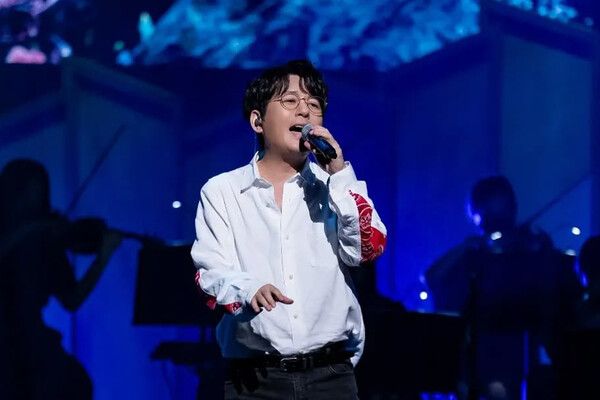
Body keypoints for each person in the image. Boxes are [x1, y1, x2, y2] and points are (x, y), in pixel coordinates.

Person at [191, 60, 387, 399]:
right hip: (255, 380)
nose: (305, 111)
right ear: (257, 121)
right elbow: (210, 272)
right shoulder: (222, 191)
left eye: (314, 104)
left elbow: (366, 251)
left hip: (331, 375)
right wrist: (248, 289)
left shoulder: (336, 187)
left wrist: (340, 173)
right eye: (291, 101)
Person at [425, 176, 581, 400]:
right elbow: (432, 277)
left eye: (503, 211)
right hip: (484, 355)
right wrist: (465, 248)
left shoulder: (533, 250)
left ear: (513, 208)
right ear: (475, 215)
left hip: (530, 353)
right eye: (489, 214)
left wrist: (543, 252)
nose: (499, 223)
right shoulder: (474, 255)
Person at [0, 159, 122, 399]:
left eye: (38, 191)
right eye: (27, 191)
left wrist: (103, 256)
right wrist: (35, 229)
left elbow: (72, 299)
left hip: (29, 339)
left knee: (75, 384)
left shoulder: (47, 239)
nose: (33, 198)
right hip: (15, 344)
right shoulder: (36, 233)